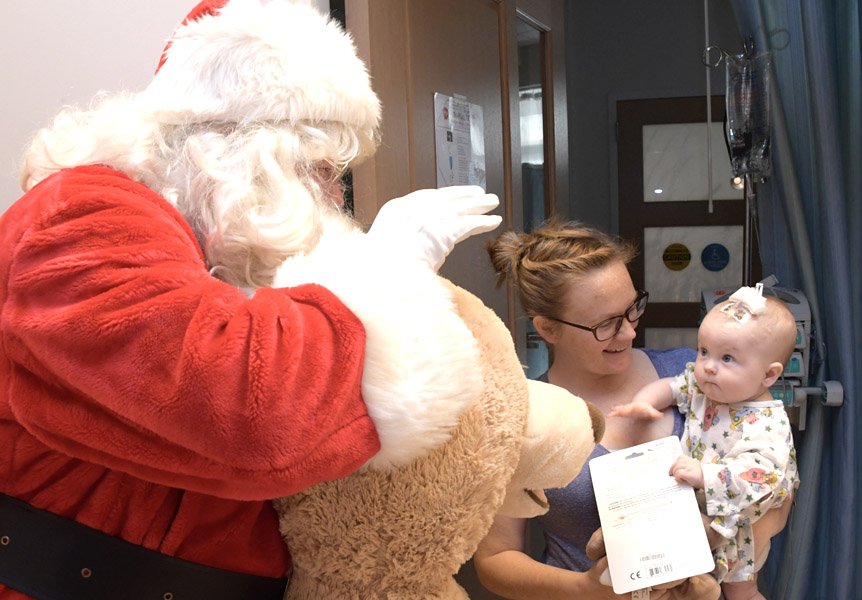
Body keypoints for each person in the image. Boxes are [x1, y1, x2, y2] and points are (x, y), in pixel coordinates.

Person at [0, 1, 499, 599]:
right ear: (237, 148)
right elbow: (253, 415)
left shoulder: (204, 239)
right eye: (317, 168)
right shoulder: (83, 215)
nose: (329, 198)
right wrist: (384, 269)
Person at [473, 220, 790, 600]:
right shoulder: (525, 418)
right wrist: (588, 589)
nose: (629, 332)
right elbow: (495, 561)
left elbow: (775, 489)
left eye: (632, 309)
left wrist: (722, 534)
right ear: (548, 329)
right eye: (606, 324)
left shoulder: (700, 376)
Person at [609, 285, 800, 600]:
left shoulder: (766, 424)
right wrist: (644, 402)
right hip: (698, 511)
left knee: (741, 590)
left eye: (727, 358)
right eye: (703, 351)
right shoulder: (706, 386)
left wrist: (704, 474)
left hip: (740, 522)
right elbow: (672, 388)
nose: (709, 366)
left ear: (768, 375)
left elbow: (760, 477)